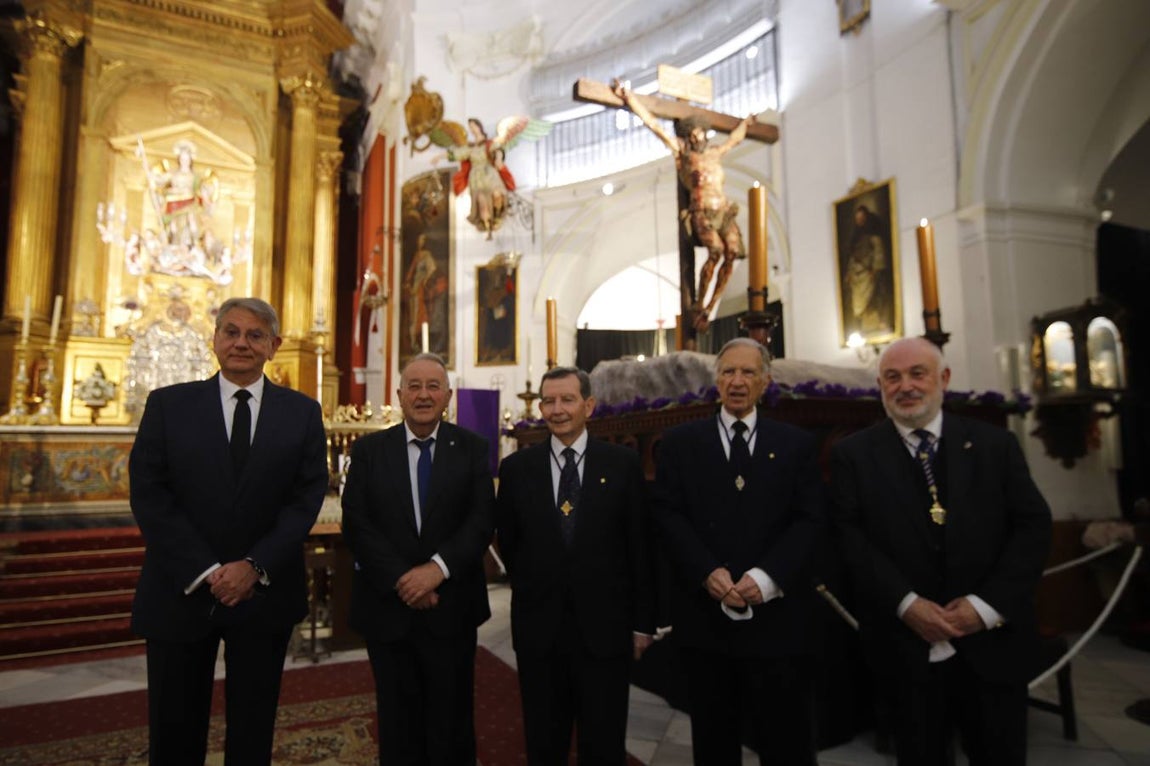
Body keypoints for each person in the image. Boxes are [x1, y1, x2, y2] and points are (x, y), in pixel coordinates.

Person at [830, 336, 1053, 765]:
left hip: (993, 646)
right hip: (906, 649)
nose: (905, 386)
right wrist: (907, 604)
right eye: (892, 378)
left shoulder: (994, 446)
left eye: (918, 374)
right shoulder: (853, 455)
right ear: (880, 385)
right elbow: (849, 539)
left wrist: (985, 607)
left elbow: (1032, 529)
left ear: (943, 379)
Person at [129, 297, 328, 766]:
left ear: (274, 346)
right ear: (215, 338)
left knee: (253, 729)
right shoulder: (168, 405)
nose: (241, 342)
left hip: (264, 594)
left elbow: (305, 499)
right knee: (174, 729)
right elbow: (150, 495)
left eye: (255, 334)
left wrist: (253, 566)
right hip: (181, 590)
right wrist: (205, 570)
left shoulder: (301, 412)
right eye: (232, 332)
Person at [651, 338, 824, 765]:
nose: (738, 381)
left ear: (765, 382)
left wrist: (765, 579)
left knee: (785, 739)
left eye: (748, 373)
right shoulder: (679, 444)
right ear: (716, 380)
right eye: (728, 372)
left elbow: (810, 520)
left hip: (777, 623)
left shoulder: (796, 445)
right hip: (706, 622)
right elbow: (668, 517)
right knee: (713, 739)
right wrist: (707, 572)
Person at [495, 366, 655, 764]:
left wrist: (643, 622)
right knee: (544, 740)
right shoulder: (517, 470)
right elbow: (511, 546)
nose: (557, 409)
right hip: (539, 631)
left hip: (606, 631)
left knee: (602, 742)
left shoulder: (622, 465)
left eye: (567, 399)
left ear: (589, 405)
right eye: (549, 401)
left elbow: (640, 546)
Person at [341, 352, 494, 765]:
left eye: (432, 386)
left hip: (452, 607)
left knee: (452, 720)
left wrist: (435, 572)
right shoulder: (369, 449)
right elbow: (356, 523)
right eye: (414, 386)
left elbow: (481, 522)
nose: (423, 395)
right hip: (388, 610)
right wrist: (404, 580)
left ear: (447, 396)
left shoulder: (472, 449)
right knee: (397, 721)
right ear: (399, 395)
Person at [614, 81, 757, 331]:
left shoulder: (715, 153)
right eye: (690, 132)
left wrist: (745, 124)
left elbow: (734, 139)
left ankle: (710, 306)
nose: (695, 136)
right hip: (701, 210)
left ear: (704, 133)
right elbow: (655, 126)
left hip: (723, 210)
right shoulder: (683, 155)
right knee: (715, 251)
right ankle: (699, 304)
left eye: (698, 132)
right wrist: (630, 100)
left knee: (731, 253)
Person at [841, 203, 894, 337]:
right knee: (857, 303)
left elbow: (878, 252)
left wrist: (875, 270)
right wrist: (849, 273)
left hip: (868, 272)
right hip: (857, 274)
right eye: (857, 219)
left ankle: (879, 323)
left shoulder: (873, 234)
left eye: (862, 218)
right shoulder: (856, 236)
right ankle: (861, 327)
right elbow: (853, 257)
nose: (860, 221)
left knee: (872, 298)